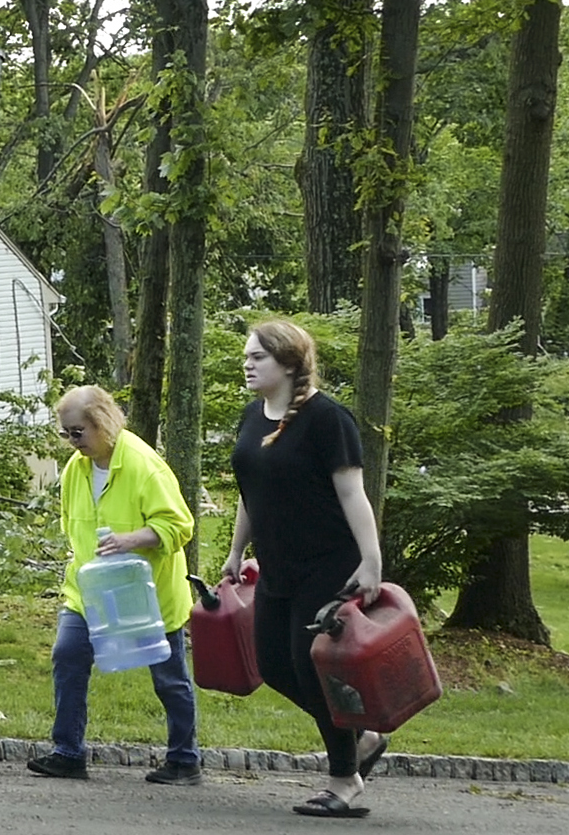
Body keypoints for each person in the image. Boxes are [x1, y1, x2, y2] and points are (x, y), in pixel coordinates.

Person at [224, 320, 388, 819]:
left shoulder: (327, 419)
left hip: (328, 564)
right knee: (271, 664)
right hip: (276, 566)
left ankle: (345, 780)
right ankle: (362, 739)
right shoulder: (253, 417)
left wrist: (371, 560)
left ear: (290, 365)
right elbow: (251, 491)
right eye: (247, 357)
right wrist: (235, 552)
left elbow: (351, 494)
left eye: (258, 358)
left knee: (310, 666)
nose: (248, 365)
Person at [27, 385, 200, 785]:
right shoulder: (76, 469)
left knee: (170, 679)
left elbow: (180, 526)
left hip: (147, 594)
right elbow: (73, 526)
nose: (72, 442)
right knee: (67, 654)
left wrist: (132, 540)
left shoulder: (143, 465)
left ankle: (184, 759)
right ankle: (68, 751)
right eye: (65, 433)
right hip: (90, 589)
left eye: (77, 432)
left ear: (102, 423)